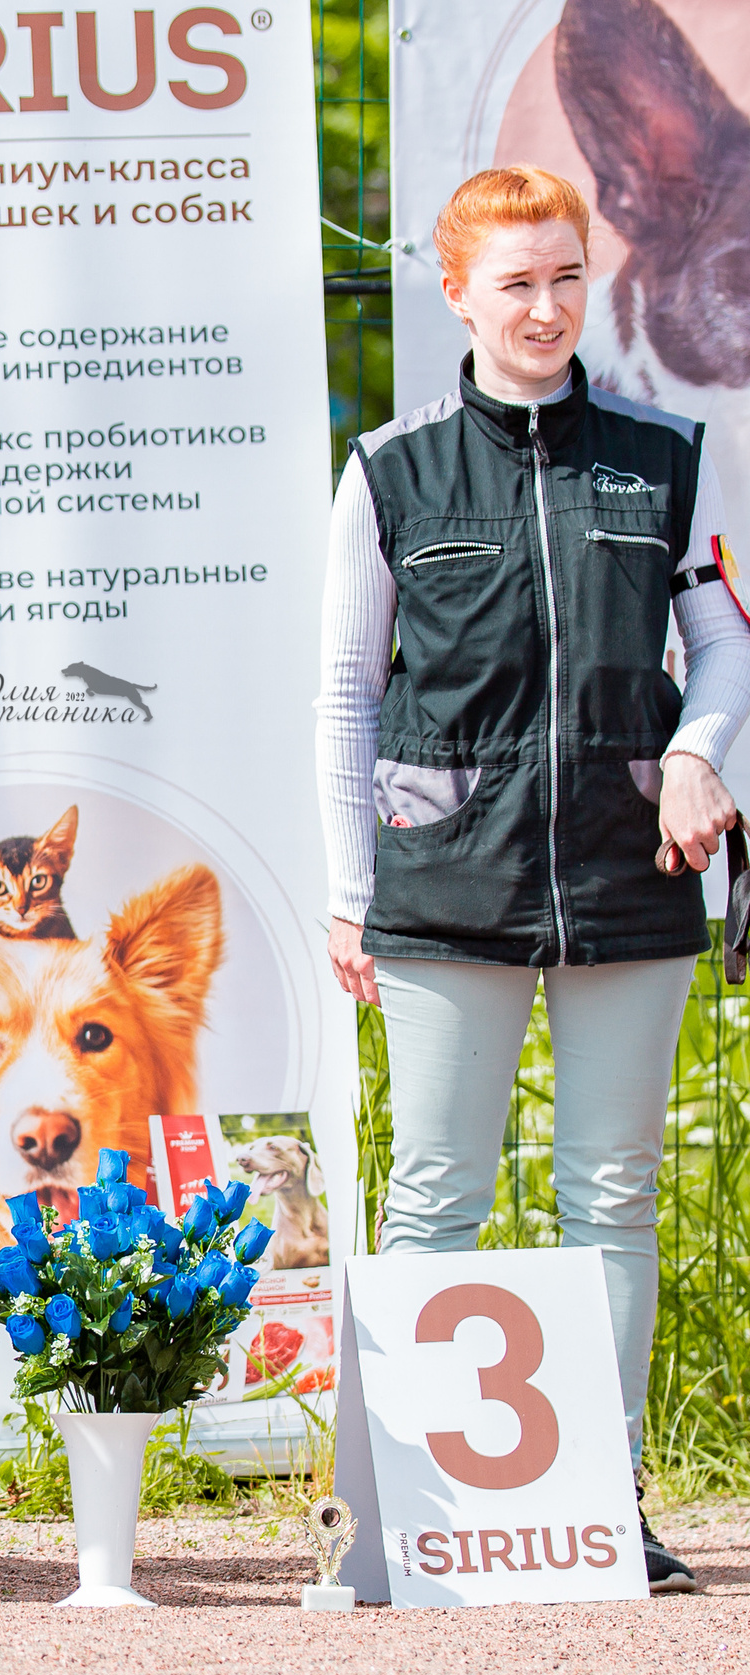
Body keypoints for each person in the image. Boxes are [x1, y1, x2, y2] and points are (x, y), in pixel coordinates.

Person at [317, 164, 750, 1593]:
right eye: (516, 283)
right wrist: (345, 886)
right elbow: (342, 698)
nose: (548, 307)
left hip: (633, 875)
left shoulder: (669, 452)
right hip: (446, 879)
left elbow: (730, 645)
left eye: (567, 276)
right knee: (434, 1193)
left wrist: (700, 750)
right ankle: (399, 1517)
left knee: (611, 1196)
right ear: (458, 295)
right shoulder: (391, 469)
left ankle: (607, 1505)